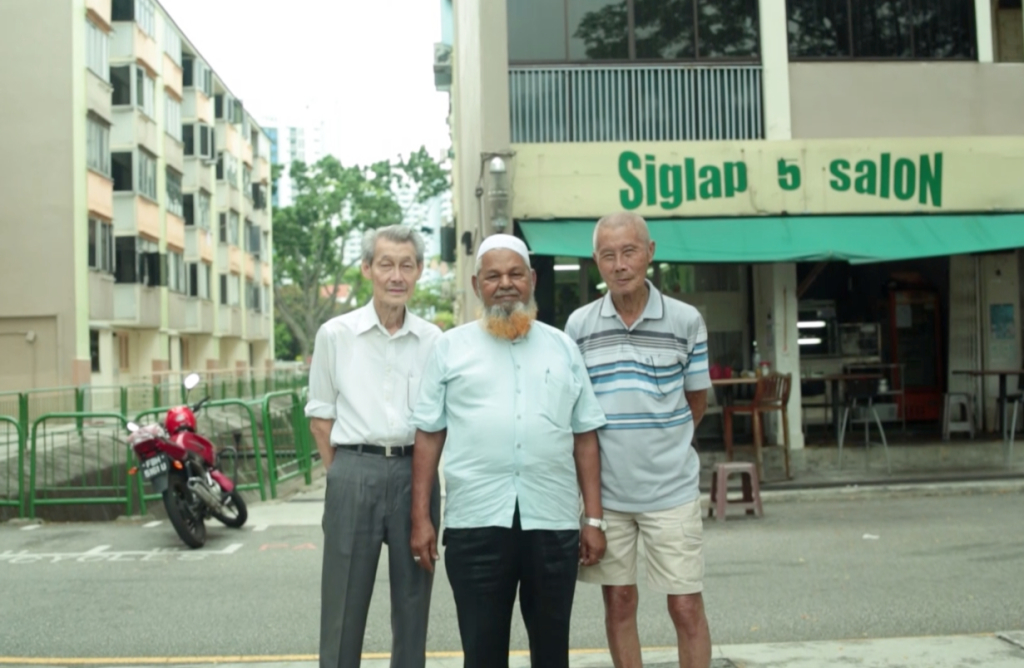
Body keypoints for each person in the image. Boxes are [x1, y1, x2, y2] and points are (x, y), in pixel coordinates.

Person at [408, 234, 608, 668]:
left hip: (552, 522)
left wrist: (592, 518)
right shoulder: (450, 348)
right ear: (477, 282)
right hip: (476, 522)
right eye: (494, 275)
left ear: (532, 279)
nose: (506, 284)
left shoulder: (562, 347)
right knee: (482, 653)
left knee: (552, 651)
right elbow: (429, 434)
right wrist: (421, 517)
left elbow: (584, 435)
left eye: (516, 273)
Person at [565, 212, 713, 668]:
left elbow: (696, 401)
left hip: (671, 491)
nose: (620, 264)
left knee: (685, 605)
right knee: (619, 603)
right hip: (607, 496)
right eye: (608, 255)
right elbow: (577, 417)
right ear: (596, 261)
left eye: (629, 251)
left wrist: (662, 446)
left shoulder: (685, 321)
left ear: (650, 252)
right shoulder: (579, 327)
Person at [305, 225, 442, 668]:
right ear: (368, 269)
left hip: (414, 474)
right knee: (343, 607)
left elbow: (436, 422)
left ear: (419, 271)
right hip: (353, 471)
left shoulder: (434, 341)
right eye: (386, 264)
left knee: (413, 604)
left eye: (406, 265)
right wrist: (343, 473)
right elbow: (321, 416)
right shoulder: (335, 334)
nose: (396, 275)